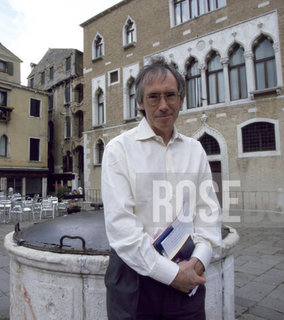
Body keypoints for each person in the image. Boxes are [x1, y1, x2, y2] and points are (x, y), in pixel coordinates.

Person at [101, 57, 222, 319]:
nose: (163, 105)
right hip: (133, 281)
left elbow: (208, 213)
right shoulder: (118, 150)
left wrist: (198, 261)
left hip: (188, 273)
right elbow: (122, 228)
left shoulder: (195, 150)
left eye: (170, 95)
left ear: (181, 100)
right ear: (140, 103)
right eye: (154, 97)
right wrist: (172, 275)